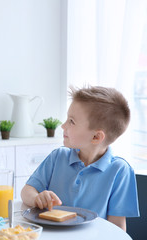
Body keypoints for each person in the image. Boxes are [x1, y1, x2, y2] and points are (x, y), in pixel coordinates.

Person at [21, 86, 139, 231]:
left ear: (96, 137)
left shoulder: (120, 171)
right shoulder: (57, 157)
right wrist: (36, 198)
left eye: (71, 121)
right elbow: (27, 191)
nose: (63, 125)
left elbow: (117, 228)